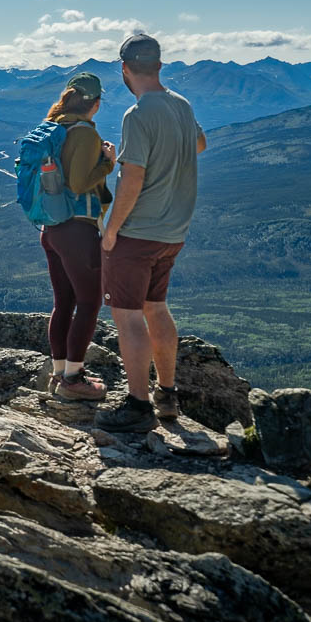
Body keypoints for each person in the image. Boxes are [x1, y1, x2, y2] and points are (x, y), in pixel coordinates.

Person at [95, 34, 206, 432]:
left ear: (124, 69)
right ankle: (167, 393)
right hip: (174, 231)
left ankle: (138, 406)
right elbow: (200, 144)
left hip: (139, 232)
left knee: (127, 316)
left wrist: (112, 229)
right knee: (155, 307)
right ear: (159, 66)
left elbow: (133, 178)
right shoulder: (182, 105)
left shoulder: (137, 115)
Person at [41, 72, 117, 400]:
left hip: (52, 229)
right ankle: (73, 380)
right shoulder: (84, 132)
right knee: (89, 303)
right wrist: (107, 163)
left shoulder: (55, 127)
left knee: (64, 303)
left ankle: (59, 375)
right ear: (96, 104)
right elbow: (77, 183)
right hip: (78, 230)